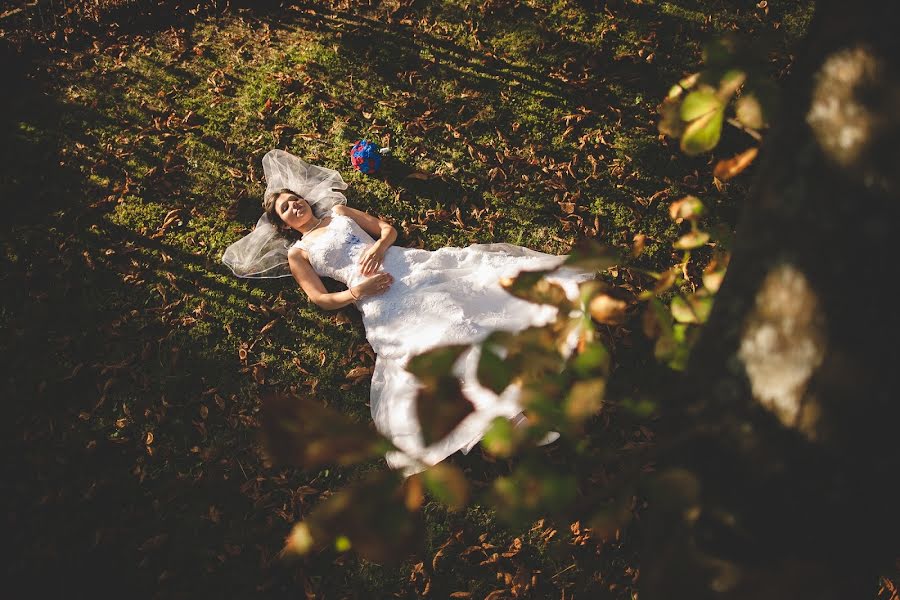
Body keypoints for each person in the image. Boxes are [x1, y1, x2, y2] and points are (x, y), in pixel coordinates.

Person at [223, 149, 589, 476]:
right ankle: (516, 416)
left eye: (293, 200)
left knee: (463, 309)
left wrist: (380, 247)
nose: (294, 207)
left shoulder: (338, 212)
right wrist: (354, 292)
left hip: (405, 267)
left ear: (303, 199)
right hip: (379, 297)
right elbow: (319, 299)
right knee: (439, 342)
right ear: (284, 224)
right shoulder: (298, 253)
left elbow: (386, 229)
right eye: (285, 209)